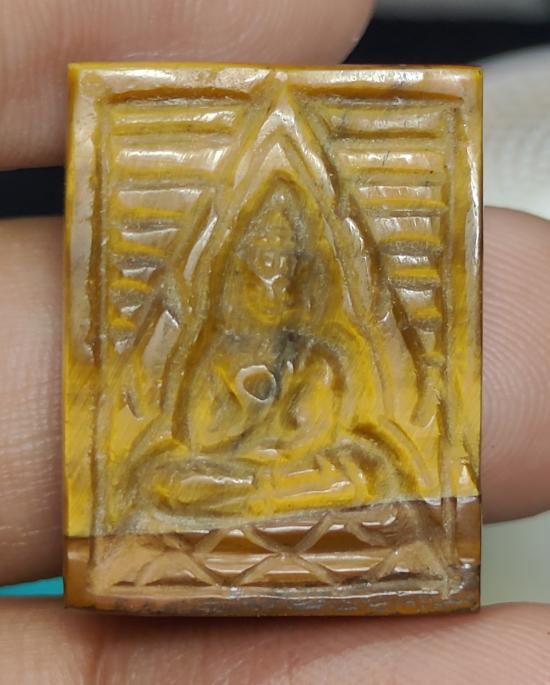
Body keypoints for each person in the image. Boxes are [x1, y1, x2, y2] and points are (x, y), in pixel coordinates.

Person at [0, 1, 549, 682]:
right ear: (229, 273)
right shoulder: (215, 353)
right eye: (256, 266)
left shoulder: (325, 355)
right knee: (157, 482)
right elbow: (193, 440)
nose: (271, 280)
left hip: (309, 479)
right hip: (221, 482)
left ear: (311, 277)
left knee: (368, 477)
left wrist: (290, 449)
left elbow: (341, 441)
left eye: (287, 268)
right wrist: (242, 439)